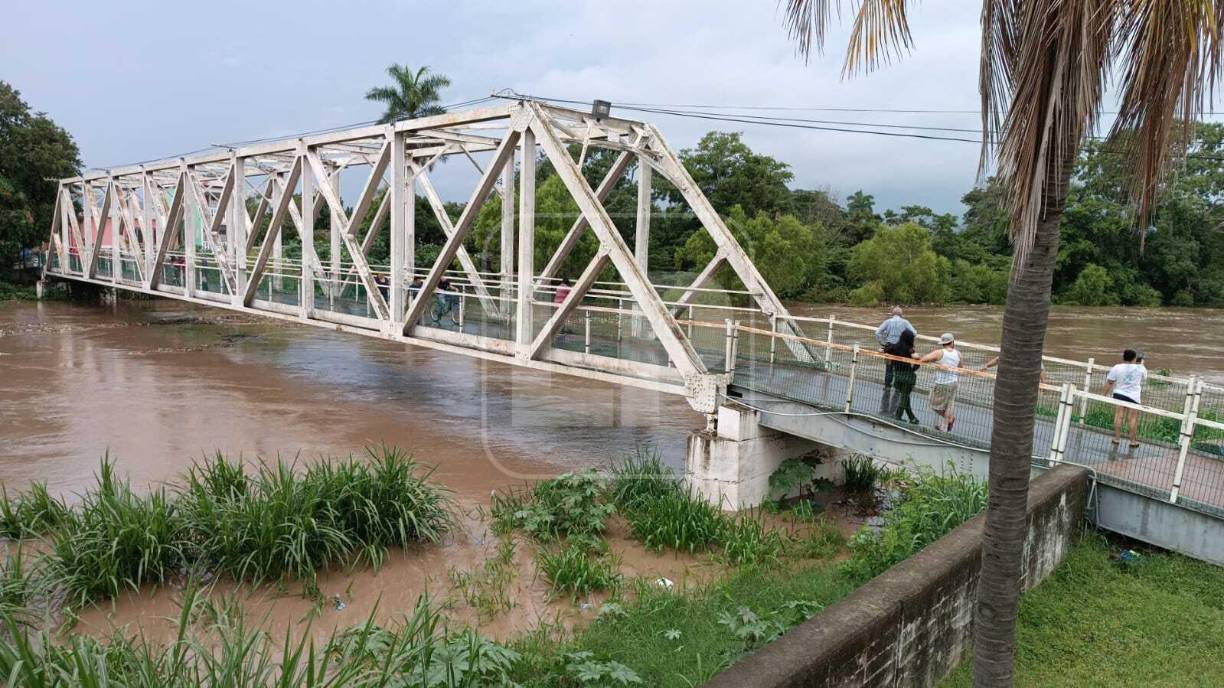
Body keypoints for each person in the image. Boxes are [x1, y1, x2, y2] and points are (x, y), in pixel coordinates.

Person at [875, 306, 916, 413]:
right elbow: (914, 333)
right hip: (901, 348)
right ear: (901, 314)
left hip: (889, 348)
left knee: (888, 368)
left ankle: (887, 386)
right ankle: (897, 388)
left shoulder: (888, 321)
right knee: (898, 367)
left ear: (892, 314)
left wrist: (882, 343)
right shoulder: (905, 322)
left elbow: (877, 332)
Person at [1104, 349, 1148, 448]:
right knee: (1132, 419)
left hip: (1119, 394)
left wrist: (1104, 395)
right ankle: (1133, 441)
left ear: (1124, 357)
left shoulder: (1117, 367)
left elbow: (1109, 382)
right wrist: (1142, 364)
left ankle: (1117, 439)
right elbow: (1145, 377)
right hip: (1134, 397)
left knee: (1119, 416)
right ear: (1134, 358)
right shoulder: (1140, 368)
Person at [919, 332, 962, 432]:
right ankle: (944, 427)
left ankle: (949, 419)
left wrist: (935, 362)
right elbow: (961, 368)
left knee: (933, 404)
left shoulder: (939, 352)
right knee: (949, 405)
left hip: (942, 383)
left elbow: (923, 359)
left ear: (943, 343)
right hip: (954, 382)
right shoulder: (958, 353)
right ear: (952, 342)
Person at [888, 329, 920, 424]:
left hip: (897, 375)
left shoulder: (894, 347)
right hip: (907, 376)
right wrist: (912, 370)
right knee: (905, 397)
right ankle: (900, 417)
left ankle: (910, 417)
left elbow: (885, 352)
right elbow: (918, 363)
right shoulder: (910, 350)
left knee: (905, 397)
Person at [981, 354, 1048, 385]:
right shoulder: (1013, 351)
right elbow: (998, 359)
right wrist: (986, 365)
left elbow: (1040, 369)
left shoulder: (1032, 354)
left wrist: (1044, 383)